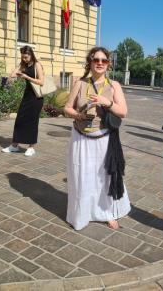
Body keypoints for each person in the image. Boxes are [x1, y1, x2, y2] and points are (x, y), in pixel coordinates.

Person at [64, 46, 131, 230]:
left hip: (104, 138)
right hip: (80, 137)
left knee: (104, 178)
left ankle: (107, 213)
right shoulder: (79, 83)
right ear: (90, 62)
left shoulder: (114, 85)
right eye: (96, 60)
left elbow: (123, 112)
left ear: (108, 64)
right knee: (81, 176)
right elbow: (67, 108)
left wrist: (106, 102)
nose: (100, 63)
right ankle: (81, 214)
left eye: (104, 60)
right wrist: (78, 115)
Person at [2, 46, 44, 157]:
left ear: (31, 55)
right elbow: (12, 76)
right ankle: (14, 145)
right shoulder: (23, 65)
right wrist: (15, 72)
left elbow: (41, 81)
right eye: (22, 57)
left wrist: (26, 77)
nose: (24, 59)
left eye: (26, 57)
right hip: (27, 96)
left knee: (32, 122)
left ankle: (31, 147)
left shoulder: (37, 65)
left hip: (36, 97)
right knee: (19, 120)